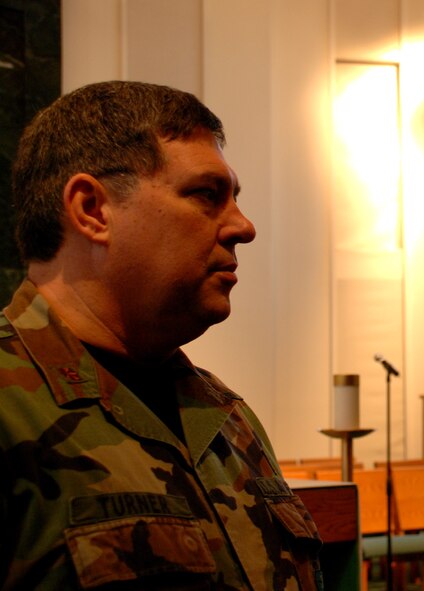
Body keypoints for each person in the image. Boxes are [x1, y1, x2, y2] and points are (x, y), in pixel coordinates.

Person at [0, 81, 322, 590]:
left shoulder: (227, 418)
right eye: (206, 195)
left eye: (234, 198)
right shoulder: (11, 407)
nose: (244, 226)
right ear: (92, 209)